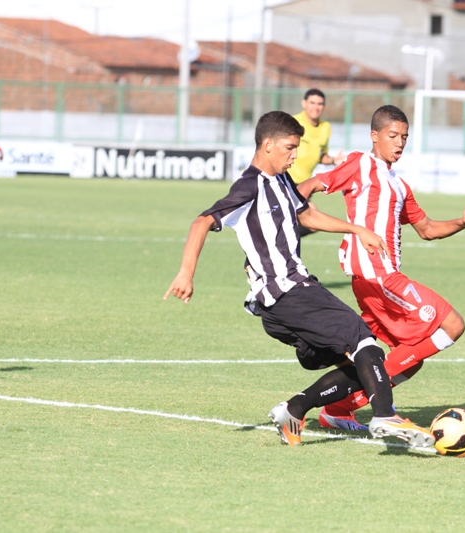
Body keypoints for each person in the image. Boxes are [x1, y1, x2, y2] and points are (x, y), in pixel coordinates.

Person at [165, 110, 434, 448]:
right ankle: (384, 416)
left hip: (277, 308)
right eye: (290, 148)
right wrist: (186, 273)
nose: (295, 156)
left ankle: (295, 409)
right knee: (364, 340)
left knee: (362, 362)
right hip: (290, 291)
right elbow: (201, 221)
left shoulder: (281, 181)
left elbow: (308, 214)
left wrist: (356, 229)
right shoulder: (250, 185)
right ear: (267, 145)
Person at [298, 105, 465, 431]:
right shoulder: (360, 164)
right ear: (374, 136)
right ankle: (382, 409)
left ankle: (338, 408)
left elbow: (428, 229)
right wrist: (298, 205)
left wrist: (463, 222)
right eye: (393, 136)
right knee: (452, 325)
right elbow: (311, 185)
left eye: (404, 137)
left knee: (408, 360)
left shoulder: (400, 185)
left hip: (375, 280)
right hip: (378, 275)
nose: (400, 143)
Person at [291, 88, 345, 185]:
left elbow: (321, 156)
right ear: (304, 103)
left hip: (304, 183)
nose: (316, 107)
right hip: (286, 180)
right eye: (312, 103)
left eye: (320, 104)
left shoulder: (326, 127)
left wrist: (334, 160)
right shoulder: (293, 122)